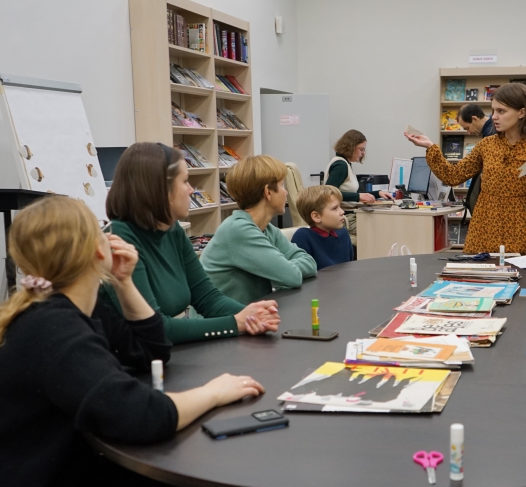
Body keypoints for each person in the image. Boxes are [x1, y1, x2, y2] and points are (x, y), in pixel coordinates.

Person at [0, 196, 269, 487]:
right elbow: (144, 415)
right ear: (95, 250)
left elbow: (151, 351)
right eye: (102, 231)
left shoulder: (63, 309)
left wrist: (124, 283)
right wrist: (214, 392)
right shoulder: (55, 329)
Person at [102, 142, 280, 344]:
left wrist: (254, 315)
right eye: (185, 181)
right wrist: (236, 323)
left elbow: (208, 299)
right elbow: (158, 328)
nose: (192, 190)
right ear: (161, 189)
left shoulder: (172, 230)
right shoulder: (119, 241)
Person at [406, 83, 526, 254]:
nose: (494, 117)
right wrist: (430, 147)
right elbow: (453, 176)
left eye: (501, 111)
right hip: (484, 231)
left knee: (517, 271)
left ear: (522, 112)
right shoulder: (487, 145)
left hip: (519, 232)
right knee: (476, 270)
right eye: (493, 111)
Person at [201, 155, 317, 303]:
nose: (286, 192)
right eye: (282, 186)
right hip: (224, 317)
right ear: (268, 192)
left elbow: (309, 263)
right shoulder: (238, 230)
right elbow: (292, 277)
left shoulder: (267, 228)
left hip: (252, 313)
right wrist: (283, 270)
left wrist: (283, 268)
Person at [291, 185, 354, 269]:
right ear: (316, 216)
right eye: (334, 208)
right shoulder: (303, 237)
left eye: (340, 206)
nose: (342, 212)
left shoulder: (343, 233)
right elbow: (300, 271)